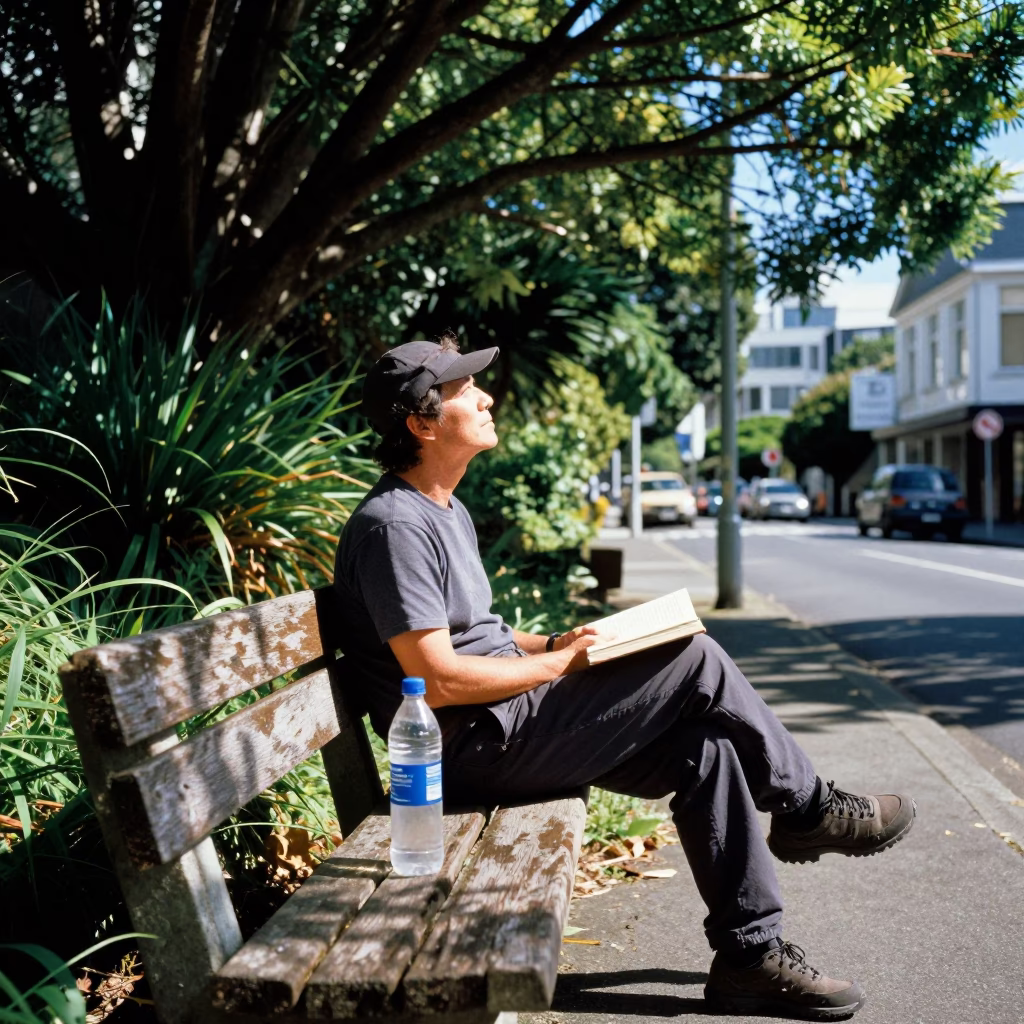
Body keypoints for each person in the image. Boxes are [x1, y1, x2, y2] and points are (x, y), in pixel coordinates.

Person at [333, 335, 916, 1022]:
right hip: (467, 747)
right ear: (421, 422)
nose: (486, 397)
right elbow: (436, 682)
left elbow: (474, 631)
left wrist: (554, 641)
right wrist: (562, 665)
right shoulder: (393, 527)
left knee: (708, 747)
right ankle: (811, 810)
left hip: (509, 722)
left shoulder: (443, 509)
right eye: (464, 391)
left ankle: (749, 958)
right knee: (694, 659)